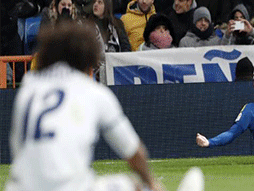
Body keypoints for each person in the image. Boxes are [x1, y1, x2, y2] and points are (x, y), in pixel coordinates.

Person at [7, 22, 201, 191]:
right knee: (134, 185)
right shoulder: (93, 92)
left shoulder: (28, 90)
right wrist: (151, 183)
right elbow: (134, 154)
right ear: (88, 57)